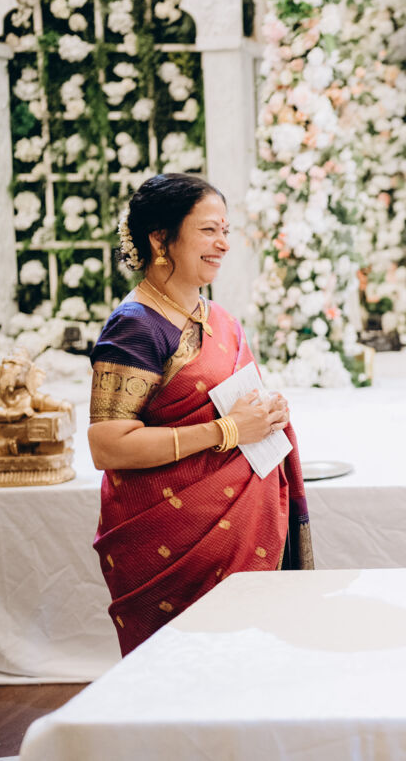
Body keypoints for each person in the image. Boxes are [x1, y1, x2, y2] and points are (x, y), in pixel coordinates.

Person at [88, 173, 310, 656]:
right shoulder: (135, 327)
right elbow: (107, 445)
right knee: (188, 669)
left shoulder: (219, 319)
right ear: (160, 239)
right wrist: (226, 430)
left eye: (225, 230)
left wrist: (269, 411)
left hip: (242, 521)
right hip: (174, 538)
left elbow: (237, 404)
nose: (223, 243)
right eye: (208, 230)